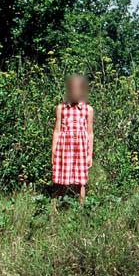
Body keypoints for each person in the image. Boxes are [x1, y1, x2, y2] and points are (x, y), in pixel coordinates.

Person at [51, 74, 94, 206]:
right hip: (64, 148)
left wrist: (89, 154)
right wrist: (53, 152)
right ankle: (53, 207)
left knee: (80, 181)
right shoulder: (61, 108)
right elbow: (57, 130)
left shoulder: (88, 109)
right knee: (61, 180)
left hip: (80, 149)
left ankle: (80, 210)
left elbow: (90, 133)